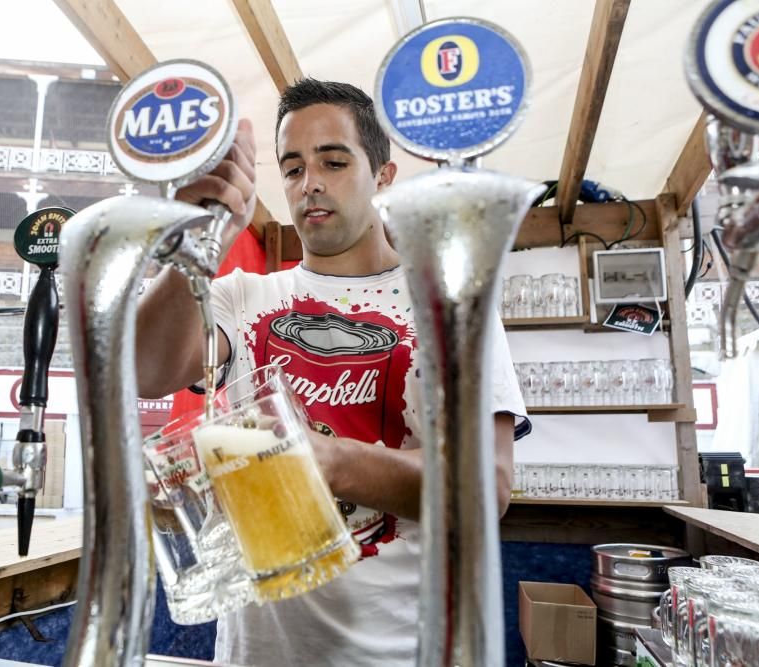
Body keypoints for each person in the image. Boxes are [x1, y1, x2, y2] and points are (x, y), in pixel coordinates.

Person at [136, 78, 530, 667]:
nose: (310, 182)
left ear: (384, 176)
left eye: (334, 161)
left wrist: (327, 461)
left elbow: (489, 487)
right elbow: (143, 371)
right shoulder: (241, 296)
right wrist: (199, 247)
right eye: (292, 168)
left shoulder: (450, 305)